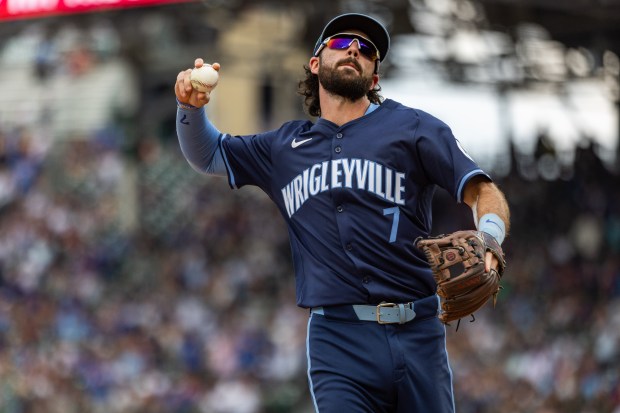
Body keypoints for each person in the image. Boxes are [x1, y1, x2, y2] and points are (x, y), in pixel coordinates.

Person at [174, 12, 510, 413]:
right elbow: (208, 154)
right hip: (338, 341)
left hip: (420, 331)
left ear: (374, 78)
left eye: (367, 49)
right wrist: (189, 110)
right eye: (340, 43)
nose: (354, 48)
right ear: (316, 63)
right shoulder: (283, 148)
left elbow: (481, 189)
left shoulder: (413, 127)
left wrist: (489, 235)